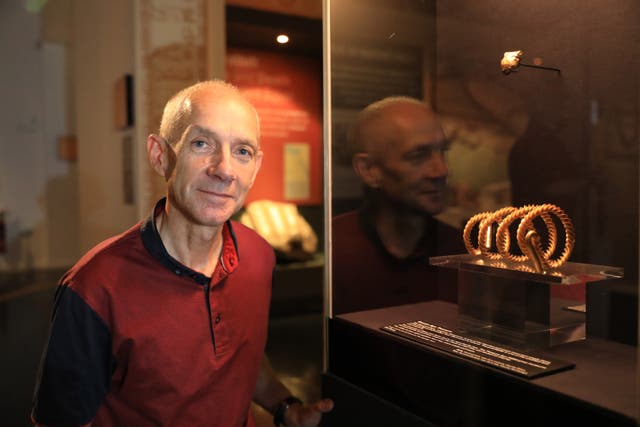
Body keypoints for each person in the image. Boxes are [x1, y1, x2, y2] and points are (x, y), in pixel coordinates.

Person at [31, 80, 333, 427]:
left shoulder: (259, 255)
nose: (224, 169)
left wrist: (285, 406)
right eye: (201, 143)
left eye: (242, 151)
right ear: (161, 155)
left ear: (256, 167)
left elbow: (243, 354)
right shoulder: (94, 287)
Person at [332, 96, 464, 315]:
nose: (441, 170)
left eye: (443, 152)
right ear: (368, 170)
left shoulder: (461, 252)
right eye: (418, 156)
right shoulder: (336, 249)